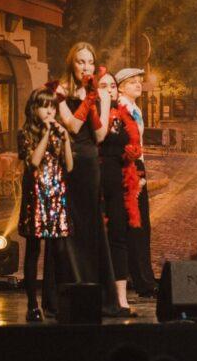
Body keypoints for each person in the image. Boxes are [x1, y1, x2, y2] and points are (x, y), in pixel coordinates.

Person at [54, 42, 122, 316]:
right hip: (69, 161)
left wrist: (94, 99)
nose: (86, 66)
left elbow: (100, 135)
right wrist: (87, 99)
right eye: (80, 61)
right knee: (68, 224)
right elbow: (72, 125)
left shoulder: (101, 93)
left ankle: (98, 293)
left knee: (92, 224)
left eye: (90, 62)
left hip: (90, 161)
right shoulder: (60, 91)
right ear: (71, 63)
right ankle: (68, 291)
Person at [17, 85, 77, 321]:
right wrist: (46, 134)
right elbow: (33, 161)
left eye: (52, 106)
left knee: (60, 251)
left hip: (57, 194)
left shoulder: (59, 133)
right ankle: (32, 304)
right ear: (34, 109)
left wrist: (66, 139)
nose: (50, 111)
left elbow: (69, 166)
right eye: (44, 106)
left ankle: (58, 303)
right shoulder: (25, 133)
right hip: (36, 194)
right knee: (33, 249)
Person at [96, 72, 140, 316]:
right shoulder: (92, 114)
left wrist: (132, 152)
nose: (110, 90)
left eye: (112, 86)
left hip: (119, 181)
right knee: (96, 239)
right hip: (96, 180)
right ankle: (99, 297)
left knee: (118, 238)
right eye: (104, 85)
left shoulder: (124, 116)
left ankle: (121, 299)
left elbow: (132, 141)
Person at [115, 67, 158, 297]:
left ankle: (144, 278)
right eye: (132, 82)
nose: (138, 84)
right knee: (134, 224)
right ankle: (141, 280)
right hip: (128, 166)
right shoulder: (121, 108)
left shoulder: (135, 108)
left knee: (141, 224)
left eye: (139, 81)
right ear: (121, 87)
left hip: (138, 164)